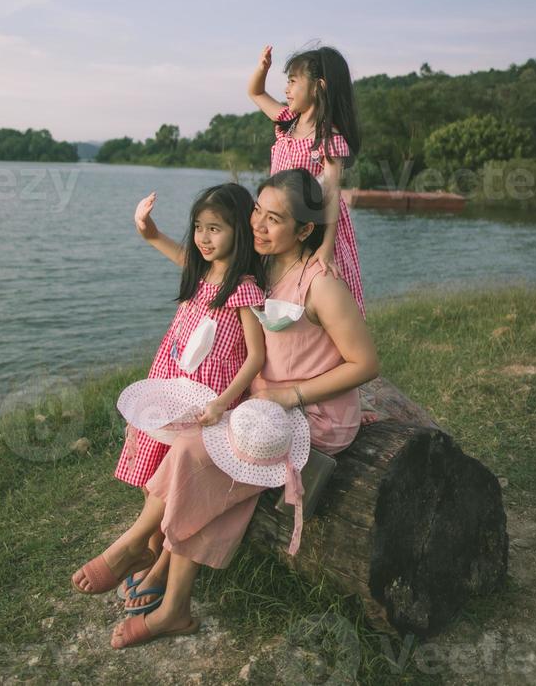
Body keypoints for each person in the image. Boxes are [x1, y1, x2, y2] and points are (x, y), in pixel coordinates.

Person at [71, 169, 379, 650]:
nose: (257, 223)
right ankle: (164, 585)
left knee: (198, 454)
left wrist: (289, 396)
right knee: (197, 453)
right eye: (258, 209)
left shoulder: (321, 285)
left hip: (311, 415)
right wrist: (154, 236)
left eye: (273, 219)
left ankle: (141, 549)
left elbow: (366, 363)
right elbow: (207, 272)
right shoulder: (264, 263)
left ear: (303, 231)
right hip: (264, 407)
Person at [110, 183, 266, 614]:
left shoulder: (245, 289)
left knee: (177, 482)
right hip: (169, 389)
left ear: (239, 230)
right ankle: (150, 545)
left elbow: (256, 356)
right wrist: (149, 229)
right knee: (152, 476)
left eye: (215, 228)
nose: (203, 237)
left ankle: (160, 563)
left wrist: (223, 402)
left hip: (205, 401)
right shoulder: (202, 272)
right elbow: (168, 247)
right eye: (198, 227)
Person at [248, 44, 365, 317]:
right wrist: (262, 69)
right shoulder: (287, 122)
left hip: (313, 227)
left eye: (292, 81)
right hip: (279, 221)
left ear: (318, 86)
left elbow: (332, 194)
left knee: (316, 291)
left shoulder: (329, 138)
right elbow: (255, 92)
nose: (286, 90)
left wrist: (325, 248)